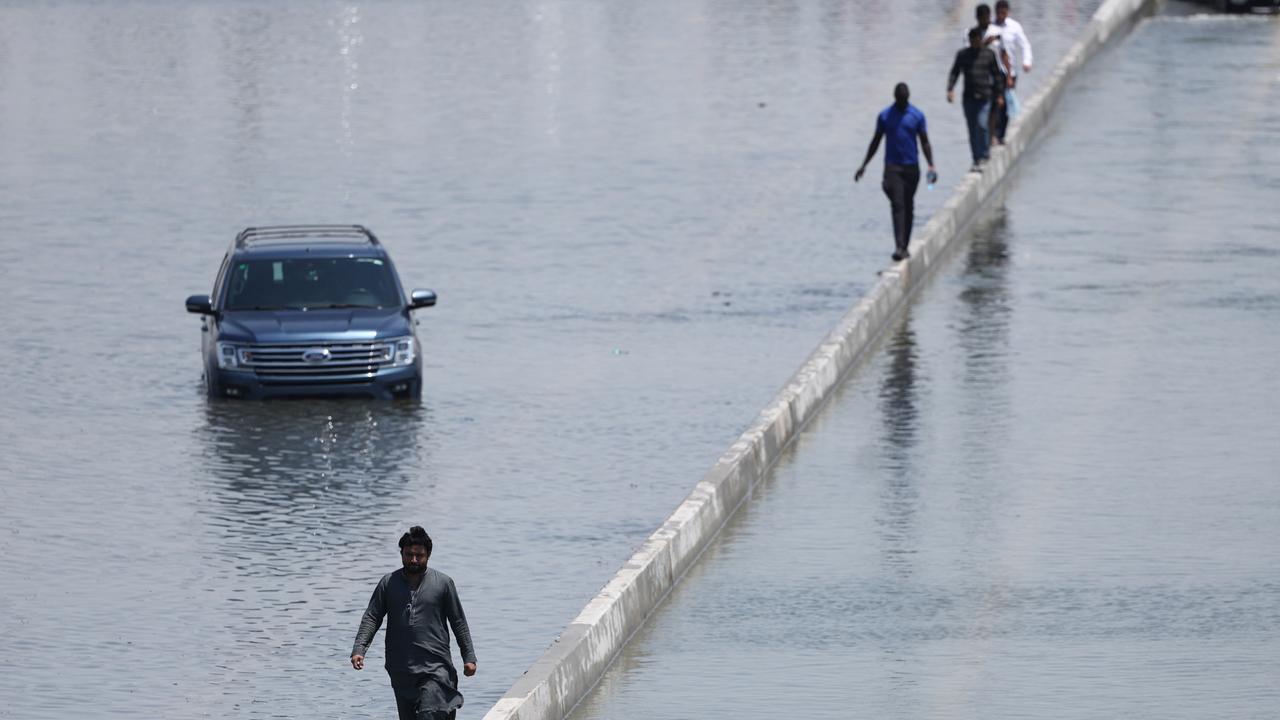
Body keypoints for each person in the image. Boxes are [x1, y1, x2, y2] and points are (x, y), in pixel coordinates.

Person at [352, 526, 478, 720]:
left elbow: (458, 621)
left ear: (428, 555)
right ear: (401, 553)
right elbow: (372, 617)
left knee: (430, 713)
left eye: (419, 555)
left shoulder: (443, 583)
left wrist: (468, 657)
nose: (413, 560)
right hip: (401, 670)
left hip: (436, 668)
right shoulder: (388, 583)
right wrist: (359, 649)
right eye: (408, 554)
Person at [855, 83, 937, 262]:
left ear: (907, 99)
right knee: (898, 205)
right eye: (899, 100)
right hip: (892, 168)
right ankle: (899, 246)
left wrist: (931, 165)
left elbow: (924, 142)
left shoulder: (916, 115)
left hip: (911, 167)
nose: (901, 103)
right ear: (895, 98)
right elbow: (876, 141)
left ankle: (904, 245)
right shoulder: (885, 116)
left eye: (904, 100)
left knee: (908, 206)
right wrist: (864, 165)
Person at [948, 27, 1005, 172]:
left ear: (981, 40)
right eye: (972, 40)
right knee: (972, 129)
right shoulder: (963, 55)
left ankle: (985, 154)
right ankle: (976, 158)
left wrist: (999, 95)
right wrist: (950, 89)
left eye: (977, 40)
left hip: (984, 97)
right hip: (968, 98)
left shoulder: (989, 54)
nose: (975, 43)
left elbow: (997, 75)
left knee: (982, 125)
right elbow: (954, 72)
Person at [991, 0, 1034, 142]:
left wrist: (1026, 62)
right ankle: (994, 134)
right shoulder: (990, 27)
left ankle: (1001, 134)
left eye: (1003, 12)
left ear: (1007, 12)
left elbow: (1025, 45)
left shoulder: (1014, 27)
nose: (1001, 15)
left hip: (1010, 73)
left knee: (1005, 104)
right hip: (993, 73)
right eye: (998, 12)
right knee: (995, 103)